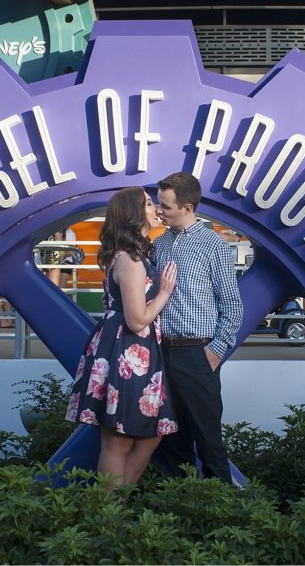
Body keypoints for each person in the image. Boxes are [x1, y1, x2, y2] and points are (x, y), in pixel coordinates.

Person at [65, 186, 178, 486]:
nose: (155, 208)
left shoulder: (134, 255)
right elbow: (137, 318)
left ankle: (115, 507)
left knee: (149, 435)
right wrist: (164, 293)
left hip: (132, 349)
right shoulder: (129, 259)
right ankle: (109, 515)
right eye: (148, 204)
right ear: (133, 213)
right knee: (118, 442)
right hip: (126, 350)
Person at [150, 171, 243, 484]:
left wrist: (215, 352)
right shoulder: (159, 245)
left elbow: (232, 304)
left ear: (187, 208)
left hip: (197, 353)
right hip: (163, 353)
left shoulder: (214, 245)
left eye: (165, 206)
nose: (158, 210)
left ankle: (220, 511)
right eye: (158, 204)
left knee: (208, 438)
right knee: (170, 439)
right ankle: (181, 507)